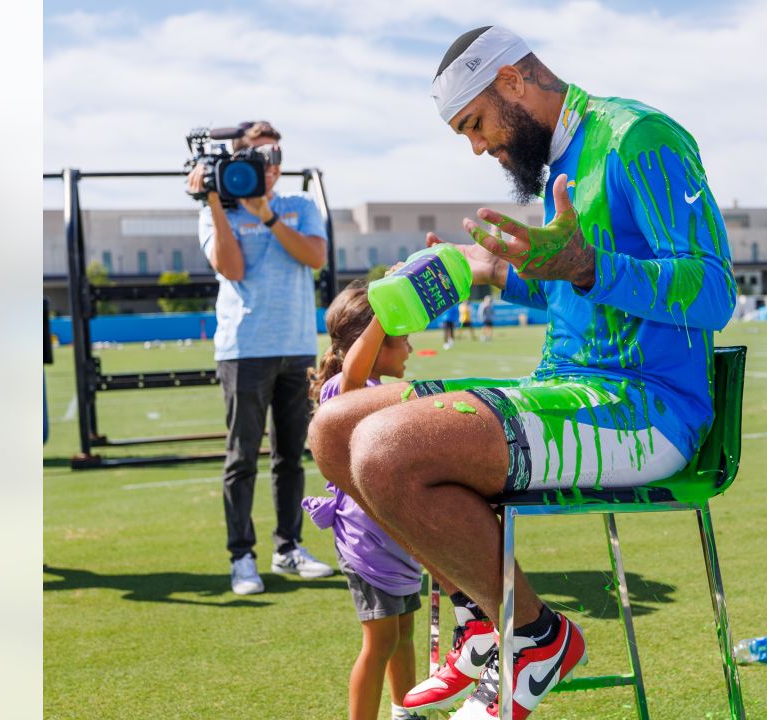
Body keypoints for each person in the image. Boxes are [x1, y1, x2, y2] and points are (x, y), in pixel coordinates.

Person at [308, 26, 734, 720]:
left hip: (648, 407)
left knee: (387, 449)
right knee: (334, 428)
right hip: (567, 387)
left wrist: (587, 263)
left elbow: (713, 292)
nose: (479, 146)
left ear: (513, 81)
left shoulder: (640, 136)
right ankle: (491, 617)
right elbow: (570, 286)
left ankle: (534, 637)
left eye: (474, 125)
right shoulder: (561, 160)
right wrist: (488, 272)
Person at [188, 120, 333, 595]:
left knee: (291, 457)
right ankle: (241, 557)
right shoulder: (216, 211)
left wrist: (267, 215)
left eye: (274, 157)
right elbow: (232, 268)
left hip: (295, 347)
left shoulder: (299, 205)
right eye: (257, 157)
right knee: (242, 458)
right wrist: (214, 199)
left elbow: (315, 257)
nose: (268, 167)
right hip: (244, 348)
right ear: (237, 159)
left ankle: (288, 546)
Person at [302, 280, 427, 720]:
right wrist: (382, 312)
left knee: (404, 632)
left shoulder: (377, 386)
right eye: (401, 338)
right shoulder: (344, 389)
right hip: (367, 542)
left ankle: (406, 711)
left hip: (396, 537)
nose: (410, 348)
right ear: (371, 345)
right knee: (380, 643)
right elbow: (354, 375)